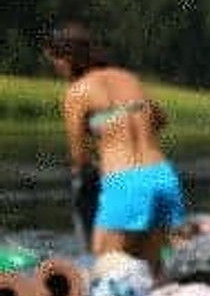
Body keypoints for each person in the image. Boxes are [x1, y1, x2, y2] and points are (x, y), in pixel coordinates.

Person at [46, 23, 187, 276]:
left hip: (125, 181)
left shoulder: (77, 92)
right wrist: (114, 119)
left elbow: (79, 157)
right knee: (155, 272)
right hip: (163, 177)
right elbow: (160, 118)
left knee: (106, 270)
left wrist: (95, 162)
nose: (56, 69)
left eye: (54, 62)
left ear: (65, 60)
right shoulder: (128, 78)